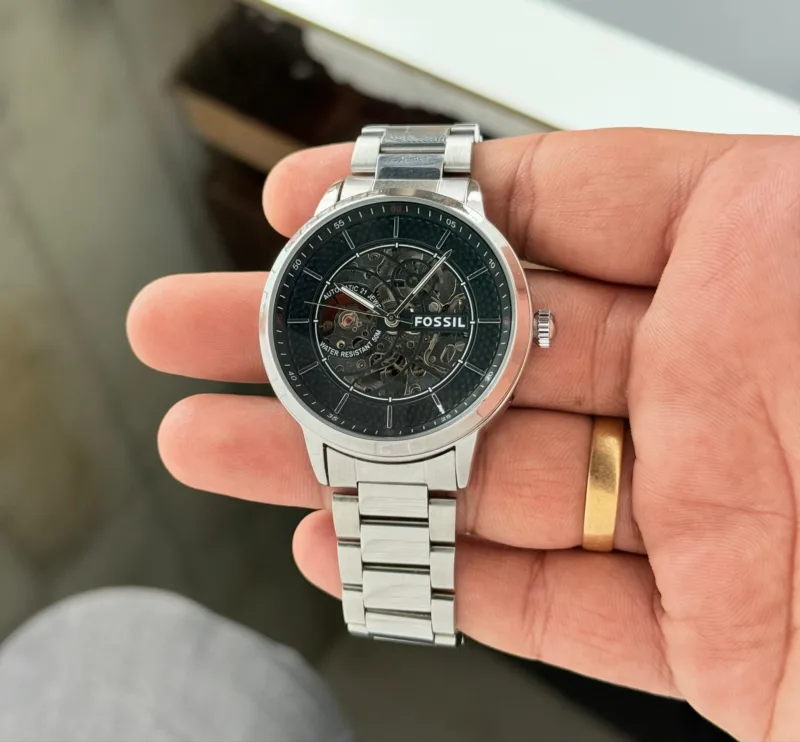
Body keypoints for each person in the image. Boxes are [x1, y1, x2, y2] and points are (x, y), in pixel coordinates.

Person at [1, 129, 796, 742]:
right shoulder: (328, 327)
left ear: (531, 324)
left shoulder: (497, 312)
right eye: (360, 315)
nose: (383, 320)